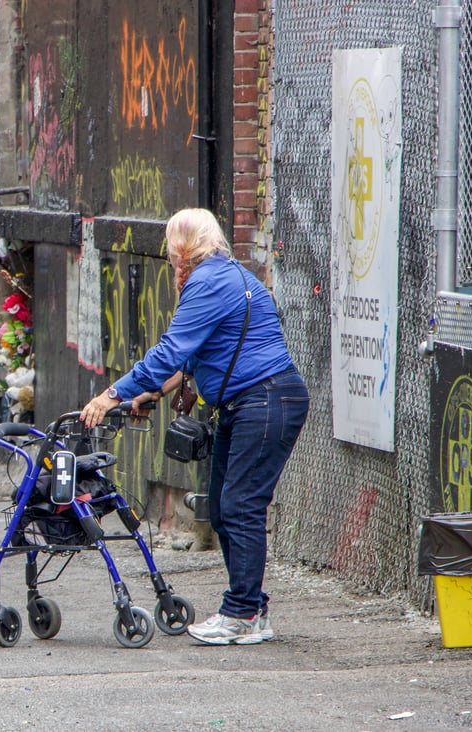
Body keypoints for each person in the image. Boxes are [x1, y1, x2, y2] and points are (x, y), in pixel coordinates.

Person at [79, 207, 310, 645]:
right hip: (254, 401)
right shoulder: (227, 274)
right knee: (224, 509)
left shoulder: (206, 282)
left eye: (170, 244)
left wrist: (111, 395)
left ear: (182, 245)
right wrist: (150, 393)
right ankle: (251, 609)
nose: (169, 255)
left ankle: (241, 614)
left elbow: (169, 351)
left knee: (240, 506)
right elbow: (191, 356)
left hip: (264, 399)